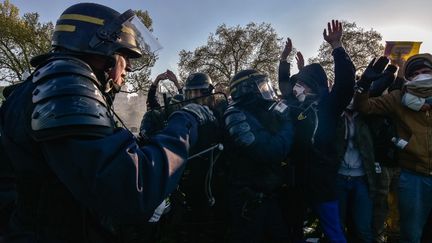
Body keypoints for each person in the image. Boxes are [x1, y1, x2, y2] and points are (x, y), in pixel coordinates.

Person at [0, 3, 216, 242]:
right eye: (125, 55)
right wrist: (186, 120)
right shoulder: (66, 87)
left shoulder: (41, 85)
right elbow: (133, 189)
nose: (129, 67)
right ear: (104, 50)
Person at [279, 20, 355, 243]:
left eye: (301, 83)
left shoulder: (329, 107)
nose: (295, 88)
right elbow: (284, 85)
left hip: (323, 184)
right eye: (296, 84)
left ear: (314, 86)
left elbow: (345, 84)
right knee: (293, 230)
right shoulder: (294, 107)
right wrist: (284, 61)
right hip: (296, 182)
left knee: (333, 231)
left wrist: (337, 46)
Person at [354, 53, 432, 243]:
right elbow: (364, 107)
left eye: (426, 71)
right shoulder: (398, 97)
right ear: (409, 78)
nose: (421, 76)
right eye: (416, 73)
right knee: (412, 233)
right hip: (414, 176)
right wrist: (364, 84)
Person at [223, 68, 294, 242]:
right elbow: (270, 152)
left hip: (267, 196)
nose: (267, 90)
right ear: (248, 89)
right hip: (248, 201)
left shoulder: (259, 112)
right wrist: (288, 124)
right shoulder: (235, 115)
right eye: (262, 86)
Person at [334, 100, 376, 243]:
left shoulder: (366, 115)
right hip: (339, 176)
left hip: (362, 177)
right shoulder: (335, 116)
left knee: (363, 227)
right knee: (337, 225)